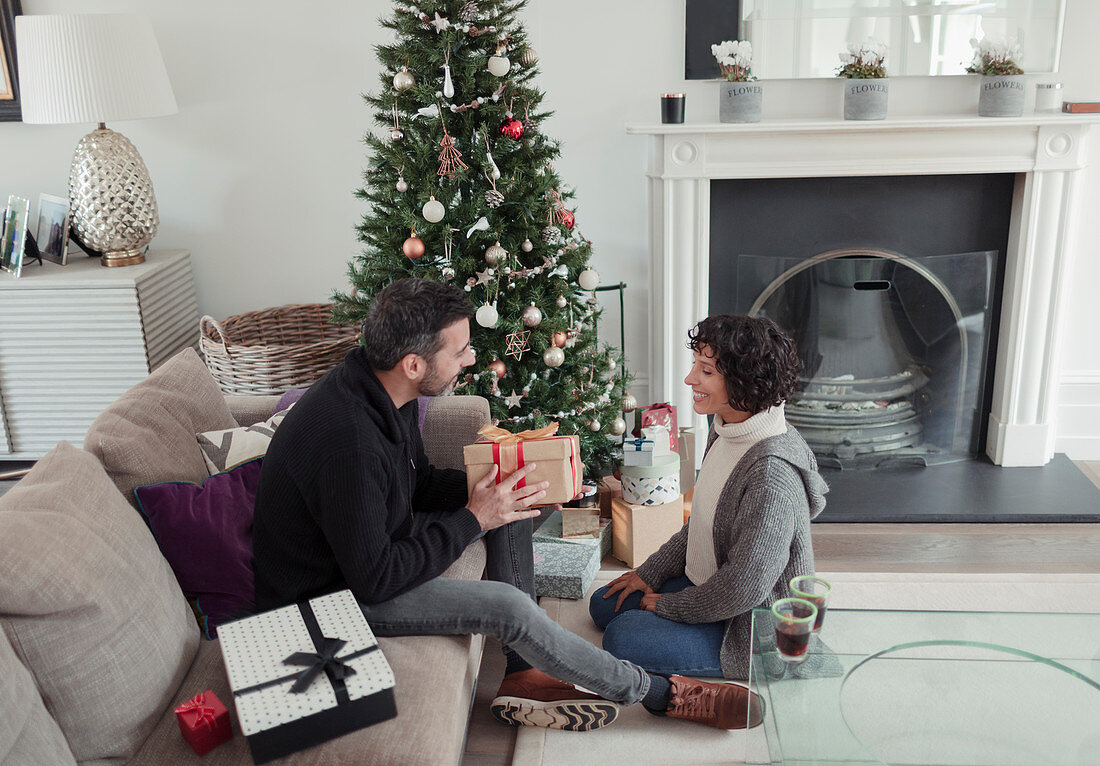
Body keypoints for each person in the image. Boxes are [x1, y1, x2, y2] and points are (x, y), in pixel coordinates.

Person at [253, 279, 764, 733]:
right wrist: (475, 517)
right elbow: (376, 578)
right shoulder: (350, 441)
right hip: (329, 598)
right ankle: (661, 694)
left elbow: (419, 484)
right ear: (414, 364)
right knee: (509, 607)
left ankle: (523, 673)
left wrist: (506, 485)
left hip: (372, 554)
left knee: (513, 503)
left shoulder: (388, 395)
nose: (470, 360)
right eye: (460, 352)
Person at [589, 314, 828, 680]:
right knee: (603, 606)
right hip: (709, 580)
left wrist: (671, 606)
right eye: (694, 366)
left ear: (744, 381)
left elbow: (744, 587)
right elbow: (703, 521)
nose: (690, 379)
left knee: (623, 636)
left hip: (750, 623)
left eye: (706, 371)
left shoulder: (771, 477)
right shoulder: (727, 429)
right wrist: (650, 572)